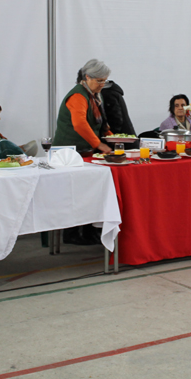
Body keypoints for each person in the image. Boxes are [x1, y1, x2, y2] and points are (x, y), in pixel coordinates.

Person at [54, 59, 114, 246]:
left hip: (85, 151)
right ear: (87, 77)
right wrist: (99, 144)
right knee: (74, 194)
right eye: (99, 80)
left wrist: (112, 138)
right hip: (69, 152)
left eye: (105, 81)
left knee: (89, 192)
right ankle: (71, 233)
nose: (102, 84)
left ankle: (89, 231)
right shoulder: (78, 96)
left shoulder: (94, 95)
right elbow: (79, 124)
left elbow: (101, 122)